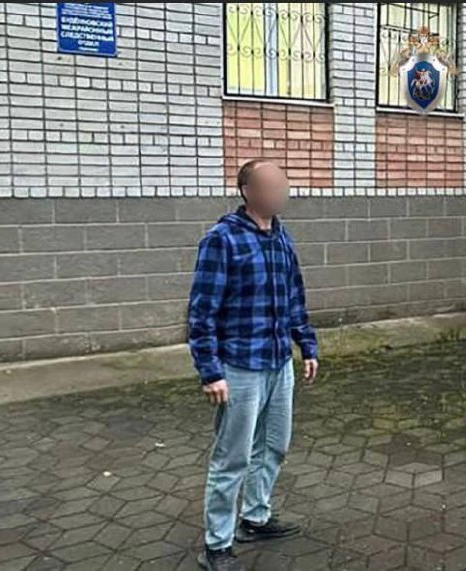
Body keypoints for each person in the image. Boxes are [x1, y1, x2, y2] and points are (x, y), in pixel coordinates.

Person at [188, 161, 319, 571]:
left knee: (275, 445)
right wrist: (210, 371)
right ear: (247, 190)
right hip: (239, 366)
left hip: (279, 362)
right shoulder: (222, 239)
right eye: (272, 185)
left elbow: (294, 295)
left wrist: (307, 345)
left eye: (284, 184)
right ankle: (217, 545)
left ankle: (255, 517)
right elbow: (202, 311)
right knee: (232, 458)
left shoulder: (281, 236)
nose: (282, 192)